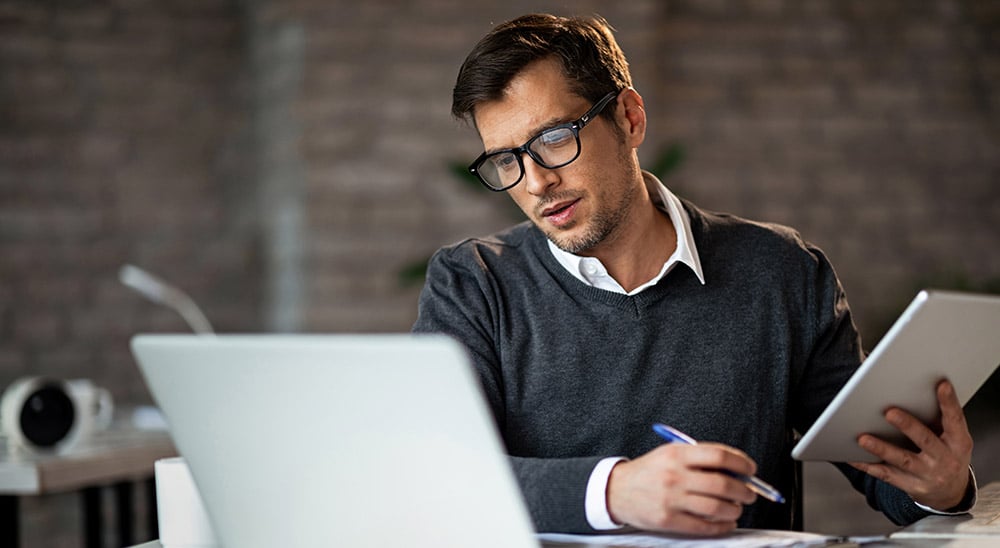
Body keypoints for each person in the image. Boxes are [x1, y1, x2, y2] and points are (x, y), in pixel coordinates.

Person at [412, 13, 976, 535]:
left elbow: (884, 472)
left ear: (629, 119)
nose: (535, 183)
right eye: (507, 160)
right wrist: (614, 492)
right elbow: (433, 475)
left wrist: (941, 487)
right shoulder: (473, 283)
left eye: (554, 139)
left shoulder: (783, 272)